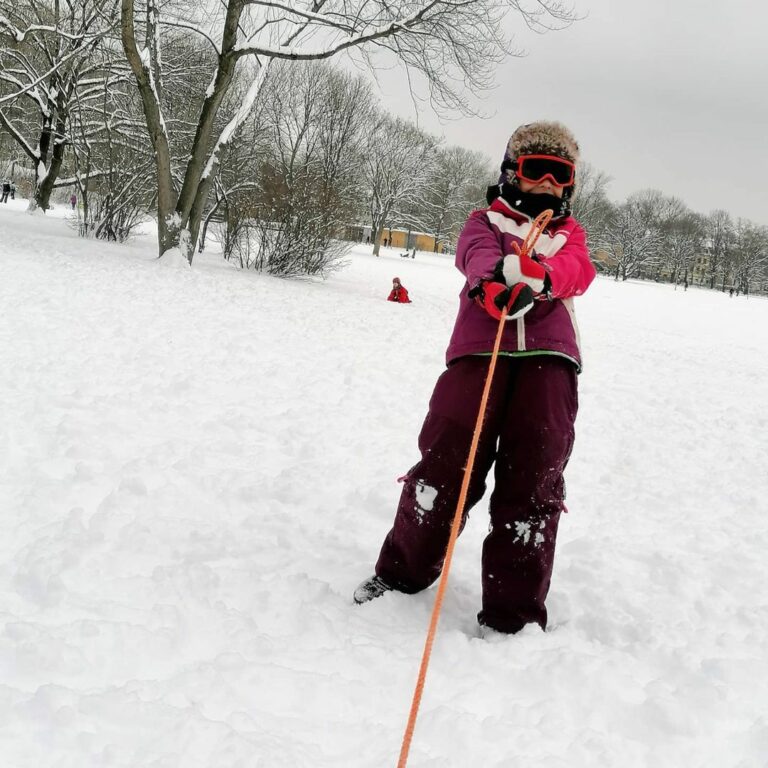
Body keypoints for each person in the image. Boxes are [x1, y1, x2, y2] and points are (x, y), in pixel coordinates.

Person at [355, 121, 596, 635]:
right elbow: (474, 253)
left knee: (534, 477)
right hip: (479, 352)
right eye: (538, 170)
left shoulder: (567, 236)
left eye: (562, 174)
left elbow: (580, 268)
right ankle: (402, 574)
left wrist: (543, 278)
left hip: (550, 359)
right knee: (447, 461)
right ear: (514, 171)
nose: (550, 183)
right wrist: (492, 283)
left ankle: (514, 613)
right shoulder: (485, 220)